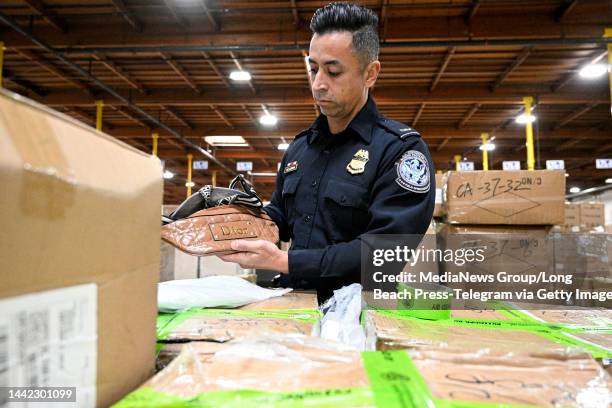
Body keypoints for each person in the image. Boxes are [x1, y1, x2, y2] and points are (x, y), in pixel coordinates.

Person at [219, 2, 435, 304]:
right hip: (292, 305)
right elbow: (279, 216)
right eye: (313, 69)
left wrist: (286, 262)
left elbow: (385, 251)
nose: (318, 84)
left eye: (333, 71)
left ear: (370, 74)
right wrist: (231, 226)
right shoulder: (299, 149)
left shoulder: (400, 151)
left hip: (359, 315)